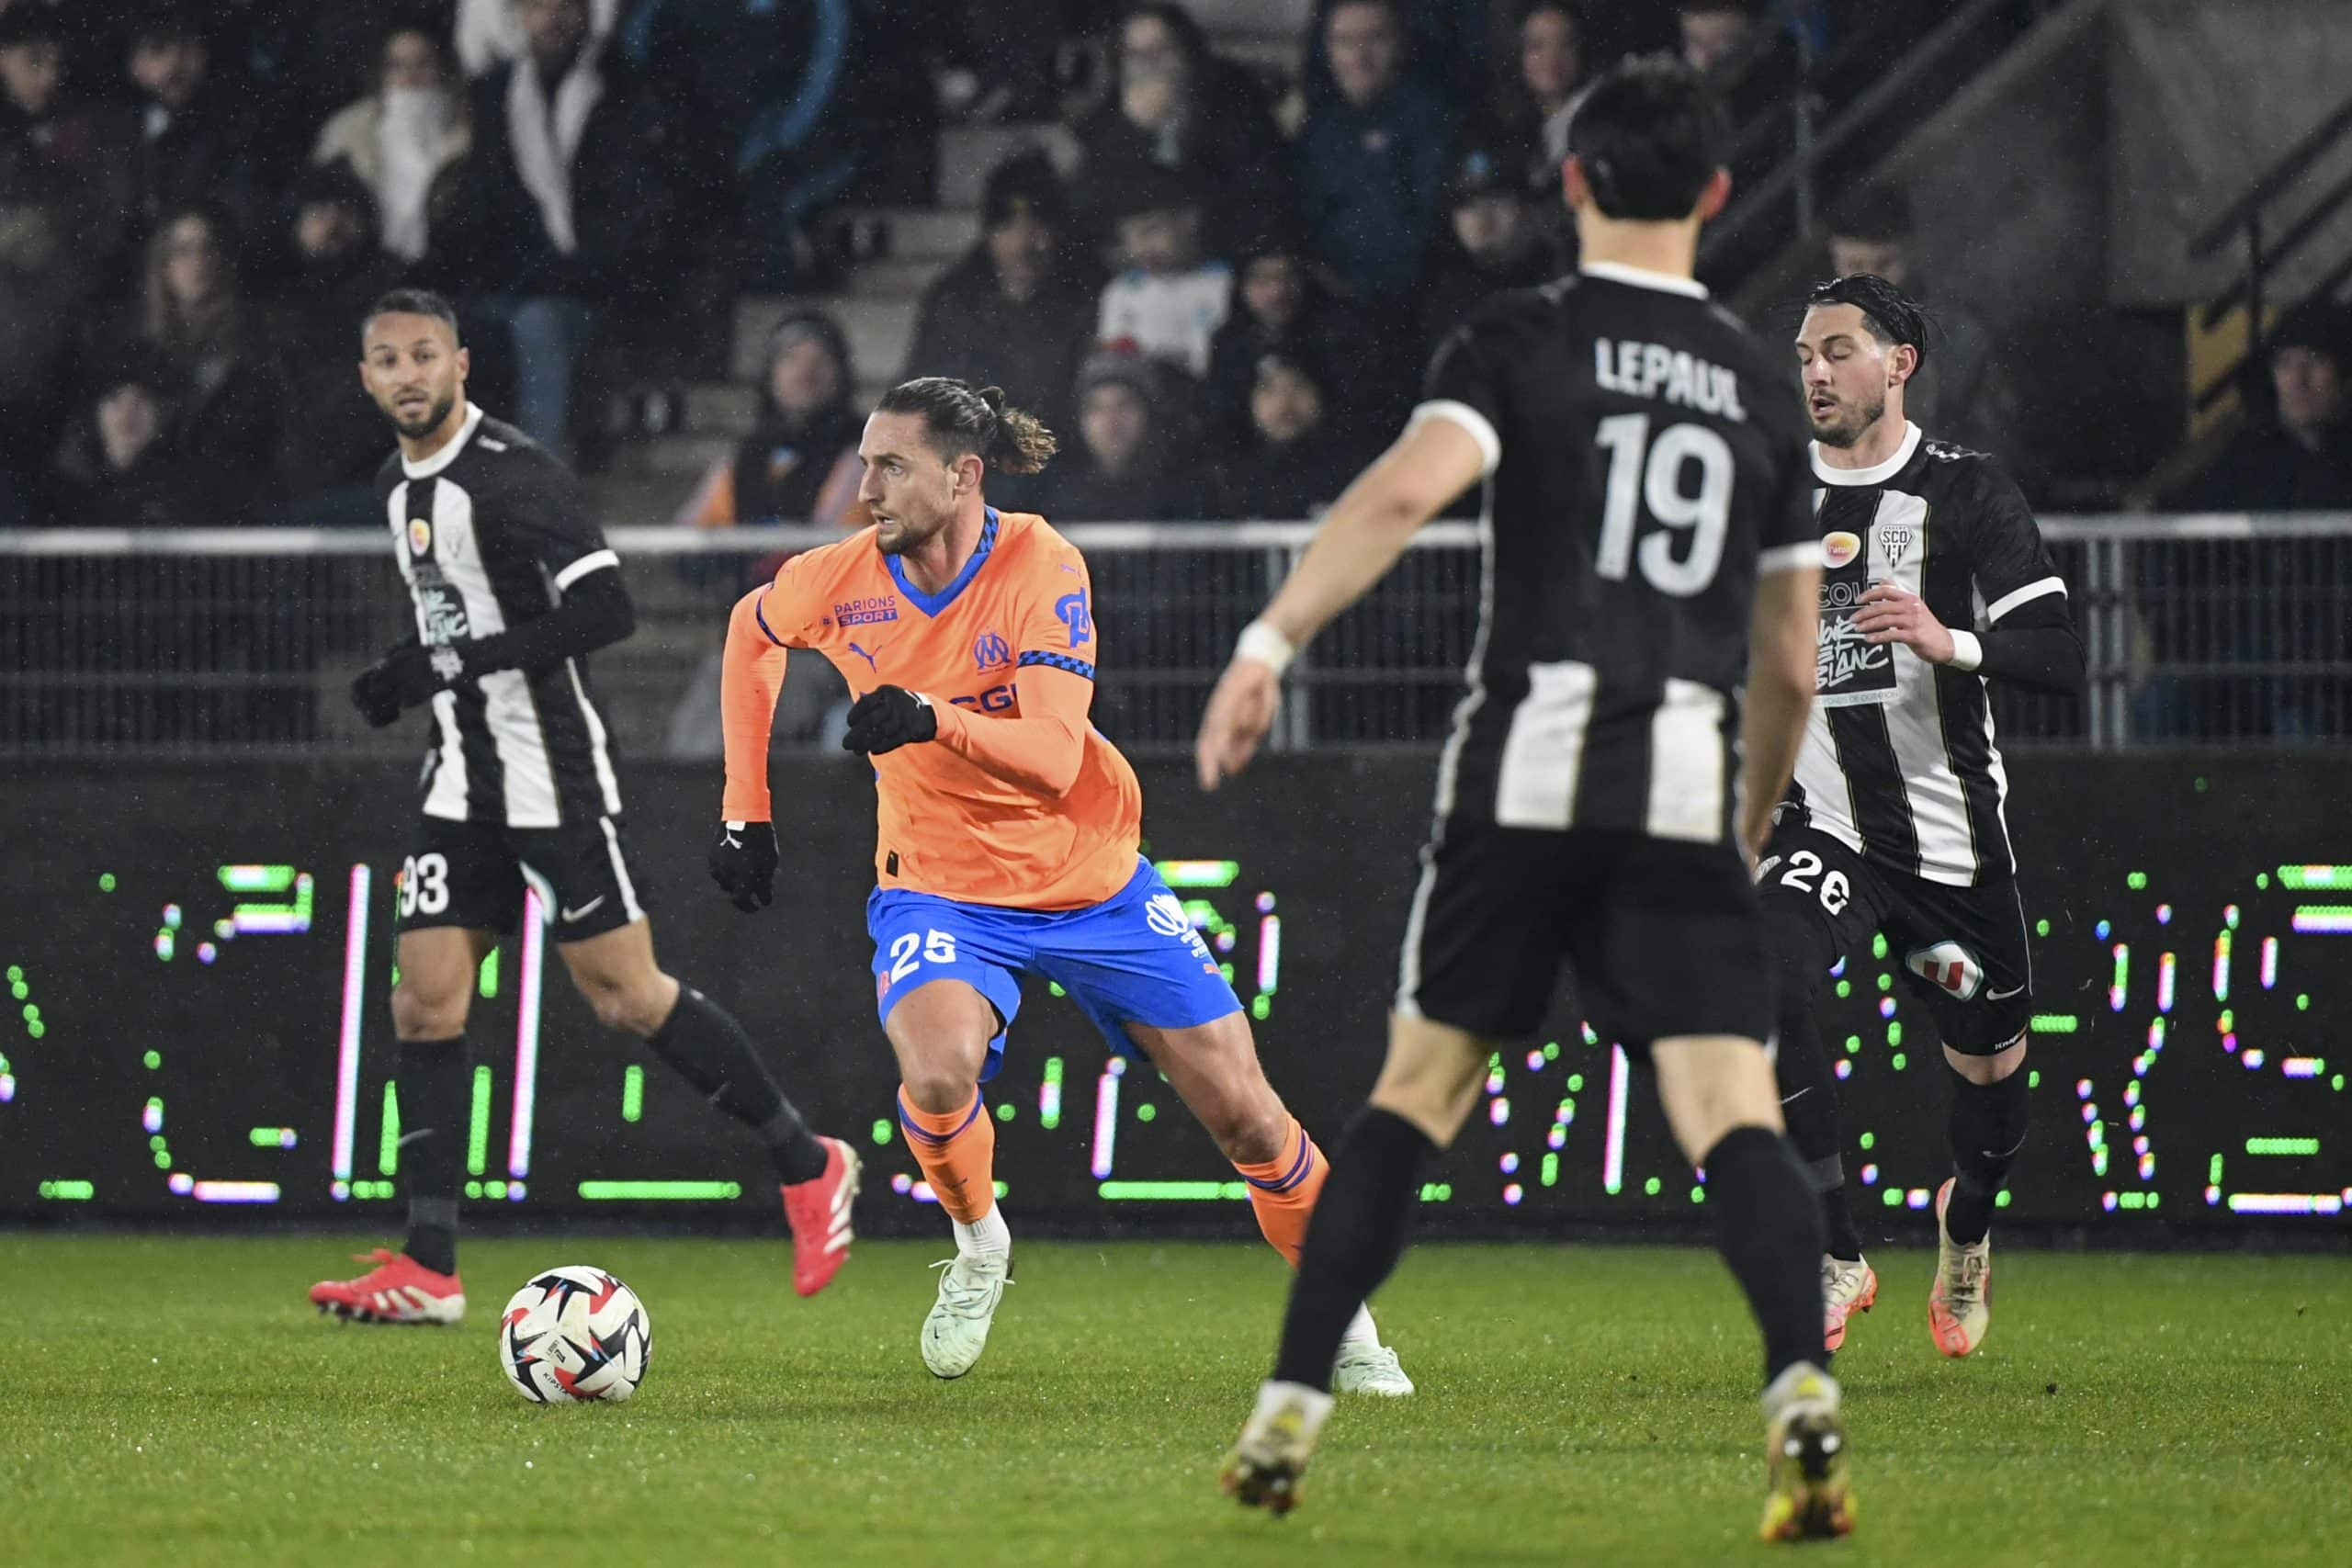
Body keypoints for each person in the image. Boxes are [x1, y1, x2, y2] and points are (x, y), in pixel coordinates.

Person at [1199, 56, 1852, 1540]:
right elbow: (1794, 665)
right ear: (1718, 193)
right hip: (1681, 789)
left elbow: (1396, 496)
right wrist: (1741, 817)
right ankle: (1801, 1389)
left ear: (1567, 185)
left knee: (1416, 1096)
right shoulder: (1760, 380)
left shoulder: (1522, 335)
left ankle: (1289, 1407)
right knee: (1725, 1106)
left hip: (1520, 778)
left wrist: (1266, 641)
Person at [707, 375, 1413, 1395]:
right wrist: (746, 807)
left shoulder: (1042, 564)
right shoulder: (842, 575)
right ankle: (977, 1236)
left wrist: (928, 718)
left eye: (890, 466)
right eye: (864, 463)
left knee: (1248, 1117)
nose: (864, 488)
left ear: (964, 477)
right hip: (940, 888)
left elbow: (1046, 754)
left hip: (1091, 878)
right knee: (937, 1074)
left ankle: (1341, 1316)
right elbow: (749, 631)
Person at [306, 288, 861, 1325]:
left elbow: (608, 609)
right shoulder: (395, 485)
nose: (409, 375)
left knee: (624, 994)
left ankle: (807, 1159)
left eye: (425, 354)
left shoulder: (516, 475)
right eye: (388, 360)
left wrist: (446, 660)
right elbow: (452, 621)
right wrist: (421, 674)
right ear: (368, 378)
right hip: (457, 777)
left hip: (551, 771)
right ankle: (430, 1267)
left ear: (463, 363)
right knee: (422, 1000)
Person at [1769, 273, 2083, 1360]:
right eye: (1805, 353)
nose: (1815, 370)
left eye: (1838, 350)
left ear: (1897, 364)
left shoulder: (1967, 492)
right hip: (1828, 831)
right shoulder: (1768, 503)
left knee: (1992, 1101)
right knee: (1757, 982)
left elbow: (2060, 656)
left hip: (1951, 846)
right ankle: (1833, 1253)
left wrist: (1951, 641)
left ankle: (1967, 1228)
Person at [902, 150, 1096, 446]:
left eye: (1038, 226)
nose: (1024, 243)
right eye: (1008, 226)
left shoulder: (1088, 296)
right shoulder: (953, 300)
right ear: (989, 233)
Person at [1825, 183, 2019, 466]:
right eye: (1854, 266)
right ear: (1833, 258)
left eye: (1885, 264)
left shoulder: (1957, 336)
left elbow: (1994, 440)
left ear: (1912, 251)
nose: (1871, 281)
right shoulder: (1809, 336)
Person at [1293, 0, 1454, 300]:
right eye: (1345, 42)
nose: (1359, 56)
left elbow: (1430, 226)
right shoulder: (1316, 131)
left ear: (1401, 43)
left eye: (1374, 39)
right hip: (1326, 304)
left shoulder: (1431, 122)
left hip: (1414, 302)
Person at [309, 21, 472, 265]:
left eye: (422, 63)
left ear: (443, 69)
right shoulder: (348, 136)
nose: (410, 75)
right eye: (397, 65)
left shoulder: (469, 135)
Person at [1094, 165, 1232, 380]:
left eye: (1152, 230)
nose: (1141, 247)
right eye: (1130, 237)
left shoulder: (1223, 283)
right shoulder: (1121, 293)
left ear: (1190, 221)